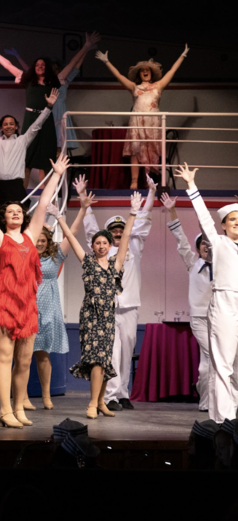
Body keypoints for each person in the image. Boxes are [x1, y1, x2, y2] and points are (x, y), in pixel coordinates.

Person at [0, 149, 66, 427]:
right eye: (11, 212)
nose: (17, 214)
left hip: (27, 305)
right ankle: (5, 410)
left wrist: (55, 175)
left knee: (24, 361)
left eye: (20, 211)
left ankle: (19, 408)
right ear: (5, 217)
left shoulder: (32, 237)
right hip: (3, 303)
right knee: (5, 357)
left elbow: (43, 204)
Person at [76, 173, 155, 410]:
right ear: (109, 235)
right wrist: (82, 197)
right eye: (114, 231)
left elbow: (143, 218)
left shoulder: (135, 245)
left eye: (121, 230)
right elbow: (90, 228)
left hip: (130, 306)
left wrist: (151, 192)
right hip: (107, 309)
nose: (119, 233)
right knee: (111, 352)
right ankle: (109, 396)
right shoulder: (104, 250)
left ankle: (123, 394)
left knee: (127, 349)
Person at [0, 33, 99, 184]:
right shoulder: (27, 80)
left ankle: (50, 201)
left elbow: (72, 64)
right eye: (37, 65)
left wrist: (86, 46)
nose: (40, 67)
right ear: (34, 68)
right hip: (30, 119)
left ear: (46, 68)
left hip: (46, 121)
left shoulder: (55, 81)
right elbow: (8, 64)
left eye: (43, 65)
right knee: (26, 160)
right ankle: (20, 200)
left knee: (48, 161)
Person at [63, 193, 140, 419]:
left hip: (108, 317)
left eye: (104, 243)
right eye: (97, 243)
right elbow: (72, 238)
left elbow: (125, 238)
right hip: (91, 317)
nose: (101, 246)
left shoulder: (116, 265)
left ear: (109, 246)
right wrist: (59, 218)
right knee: (97, 359)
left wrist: (133, 212)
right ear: (94, 246)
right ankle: (91, 403)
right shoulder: (87, 262)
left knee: (105, 360)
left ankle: (100, 403)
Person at [176, 163, 238, 424]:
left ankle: (229, 412)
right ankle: (224, 419)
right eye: (233, 220)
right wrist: (191, 186)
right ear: (223, 226)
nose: (237, 224)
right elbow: (204, 219)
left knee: (234, 368)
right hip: (224, 302)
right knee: (222, 364)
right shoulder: (220, 243)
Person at [96, 45, 189, 188]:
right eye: (142, 71)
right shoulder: (134, 87)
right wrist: (106, 61)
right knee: (135, 150)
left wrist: (182, 56)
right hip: (137, 121)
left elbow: (172, 71)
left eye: (147, 70)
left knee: (151, 150)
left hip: (153, 122)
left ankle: (148, 181)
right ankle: (134, 181)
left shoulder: (159, 85)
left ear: (151, 73)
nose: (145, 72)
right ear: (139, 74)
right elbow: (119, 77)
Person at [26, 203, 89, 411]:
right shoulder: (24, 258)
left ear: (48, 242)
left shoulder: (55, 256)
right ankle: (22, 396)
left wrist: (82, 209)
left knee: (43, 354)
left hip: (49, 310)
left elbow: (72, 233)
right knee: (23, 356)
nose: (40, 244)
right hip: (27, 309)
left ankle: (45, 396)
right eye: (37, 240)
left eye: (43, 241)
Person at [1, 32, 100, 156]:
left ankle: (58, 169)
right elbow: (28, 70)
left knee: (59, 145)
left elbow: (74, 65)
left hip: (59, 111)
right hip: (48, 110)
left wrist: (86, 48)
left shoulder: (63, 80)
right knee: (46, 145)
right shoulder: (45, 81)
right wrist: (17, 56)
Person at [0, 88, 58, 206]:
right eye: (5, 124)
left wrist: (48, 107)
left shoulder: (23, 140)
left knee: (18, 217)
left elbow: (37, 125)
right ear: (1, 128)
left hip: (16, 186)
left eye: (11, 124)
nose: (8, 126)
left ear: (16, 127)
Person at [162, 193, 212, 412]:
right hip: (200, 318)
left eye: (209, 244)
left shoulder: (223, 264)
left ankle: (211, 400)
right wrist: (172, 210)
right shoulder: (193, 263)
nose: (206, 247)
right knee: (212, 356)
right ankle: (208, 402)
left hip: (222, 317)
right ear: (198, 247)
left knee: (208, 364)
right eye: (202, 244)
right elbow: (181, 239)